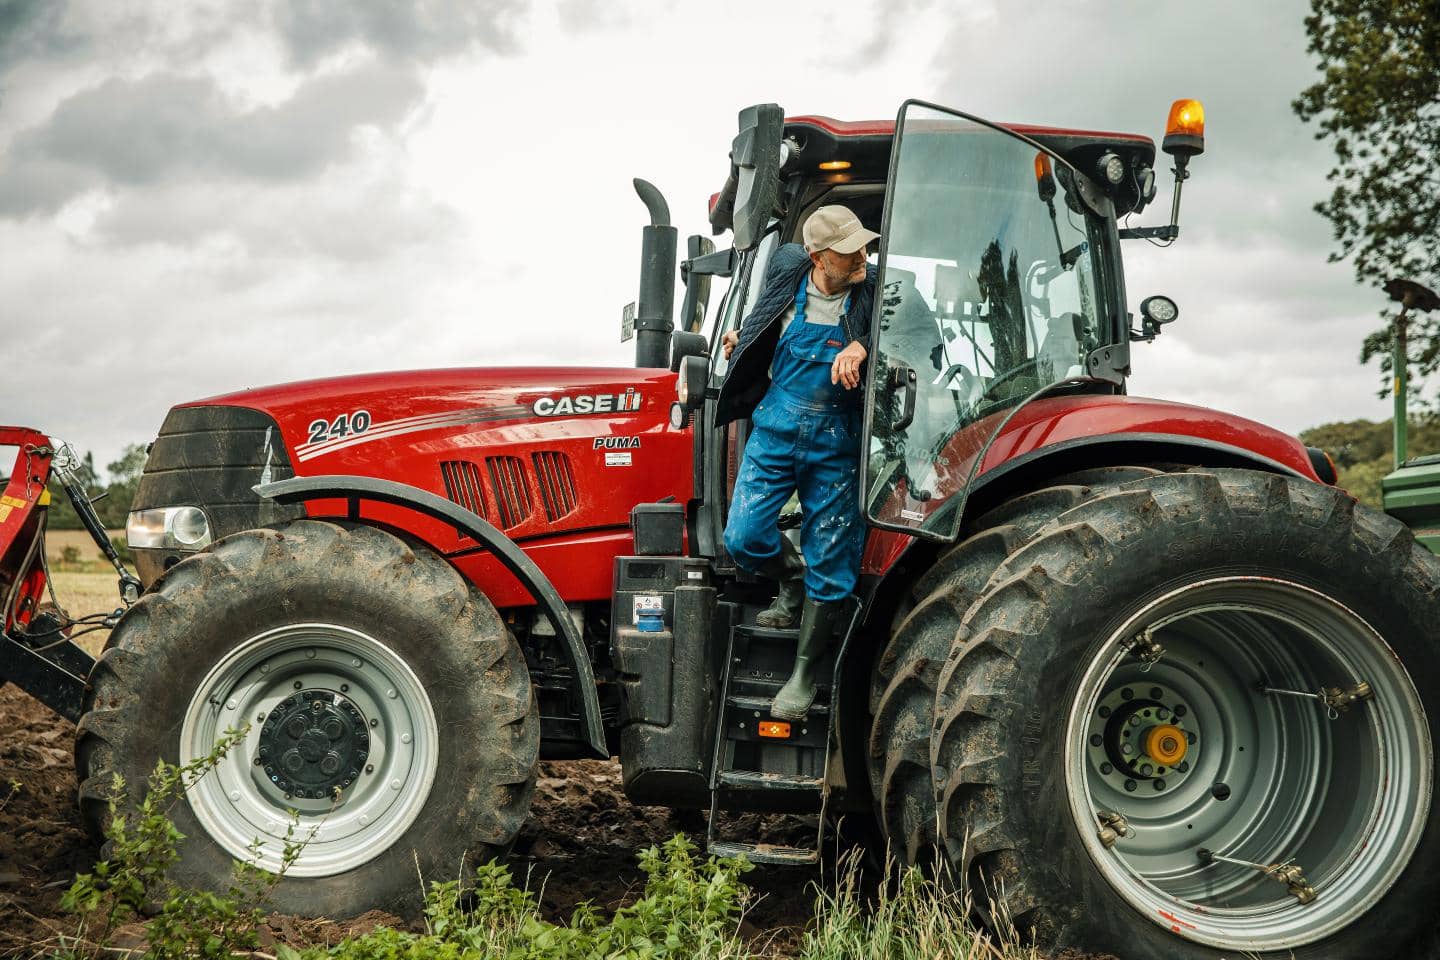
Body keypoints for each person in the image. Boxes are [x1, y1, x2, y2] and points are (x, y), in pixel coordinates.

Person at [714, 205, 879, 720]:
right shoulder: (788, 274)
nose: (862, 257)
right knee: (742, 536)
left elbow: (915, 334)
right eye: (849, 251)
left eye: (863, 248)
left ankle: (803, 676)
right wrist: (743, 338)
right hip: (777, 426)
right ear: (816, 257)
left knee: (832, 560)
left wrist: (863, 344)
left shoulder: (875, 287)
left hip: (836, 436)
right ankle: (789, 578)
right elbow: (763, 317)